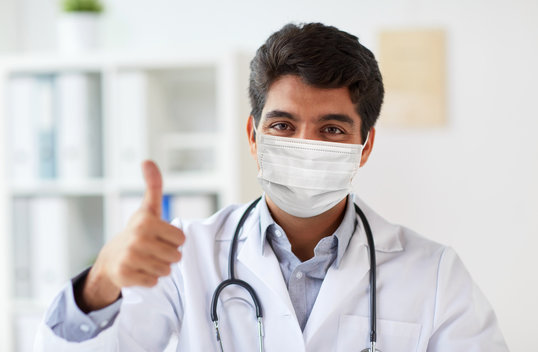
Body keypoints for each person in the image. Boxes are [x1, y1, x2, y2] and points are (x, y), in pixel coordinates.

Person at [35, 22, 509, 351]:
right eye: (283, 125)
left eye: (332, 129)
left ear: (364, 147)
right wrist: (102, 282)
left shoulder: (434, 274)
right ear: (252, 136)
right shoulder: (185, 256)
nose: (305, 144)